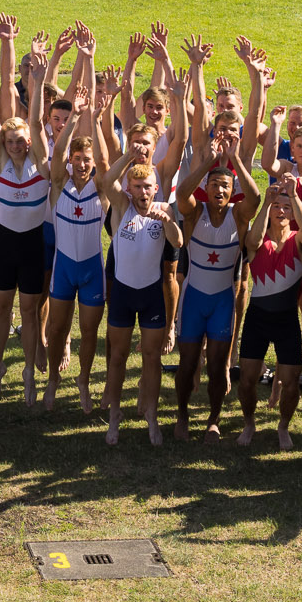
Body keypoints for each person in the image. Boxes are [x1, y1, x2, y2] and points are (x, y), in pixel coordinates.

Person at [0, 16, 54, 405]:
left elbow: (38, 120)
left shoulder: (41, 165)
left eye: (20, 140)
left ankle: (27, 372)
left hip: (31, 245)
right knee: (2, 308)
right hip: (4, 243)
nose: (16, 145)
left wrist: (38, 81)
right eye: (10, 140)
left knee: (29, 309)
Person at [233, 169, 302, 450]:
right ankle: (249, 422)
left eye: (286, 208)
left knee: (292, 381)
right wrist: (266, 203)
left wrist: (293, 195)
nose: (281, 211)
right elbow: (252, 241)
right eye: (277, 207)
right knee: (247, 379)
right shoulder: (258, 241)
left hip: (286, 321)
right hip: (257, 318)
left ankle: (283, 426)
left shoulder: (297, 240)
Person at [44, 35, 108, 416]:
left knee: (88, 334)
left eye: (87, 160)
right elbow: (57, 153)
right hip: (64, 270)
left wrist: (90, 59)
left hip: (91, 272)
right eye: (78, 159)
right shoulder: (59, 182)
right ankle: (53, 379)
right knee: (56, 331)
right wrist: (73, 120)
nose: (83, 164)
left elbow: (101, 152)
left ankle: (83, 381)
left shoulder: (100, 188)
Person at [100, 164, 182, 447]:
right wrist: (128, 157)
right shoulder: (122, 207)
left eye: (147, 186)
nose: (142, 192)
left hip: (151, 296)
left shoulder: (164, 210)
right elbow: (108, 180)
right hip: (123, 294)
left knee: (151, 357)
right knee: (118, 357)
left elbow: (178, 241)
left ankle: (152, 415)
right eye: (137, 186)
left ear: (156, 188)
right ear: (129, 189)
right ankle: (114, 414)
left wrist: (168, 221)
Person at [175, 165, 246, 439]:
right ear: (206, 187)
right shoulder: (195, 212)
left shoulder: (238, 216)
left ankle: (213, 420)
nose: (220, 190)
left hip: (222, 303)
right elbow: (182, 193)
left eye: (225, 186)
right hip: (193, 300)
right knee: (188, 363)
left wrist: (236, 161)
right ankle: (182, 414)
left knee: (218, 366)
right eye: (214, 184)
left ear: (232, 192)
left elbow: (254, 198)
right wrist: (206, 163)